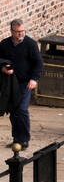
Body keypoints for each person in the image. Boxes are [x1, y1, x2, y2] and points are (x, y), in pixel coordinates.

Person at [0, 19, 43, 150]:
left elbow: (38, 63)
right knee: (13, 111)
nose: (21, 34)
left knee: (22, 110)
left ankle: (24, 139)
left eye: (23, 31)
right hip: (10, 83)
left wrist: (34, 79)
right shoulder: (4, 44)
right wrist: (3, 69)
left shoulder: (30, 44)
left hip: (25, 83)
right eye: (18, 32)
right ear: (12, 31)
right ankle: (16, 139)